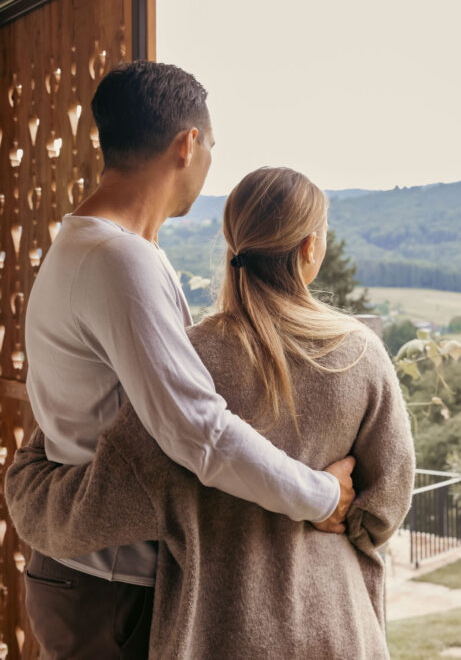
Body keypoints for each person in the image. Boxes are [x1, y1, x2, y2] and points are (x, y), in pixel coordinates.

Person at [10, 62, 355, 657]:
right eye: (211, 146)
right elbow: (196, 430)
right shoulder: (119, 262)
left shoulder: (90, 246)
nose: (209, 160)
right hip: (110, 587)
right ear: (187, 143)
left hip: (86, 573)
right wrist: (321, 496)